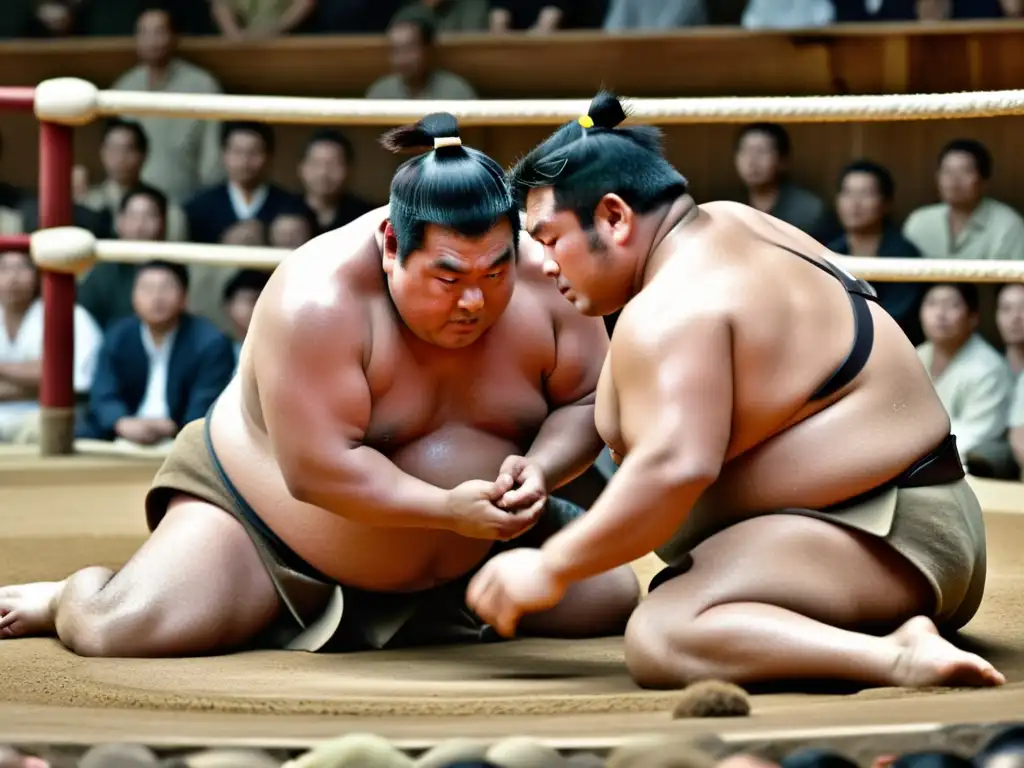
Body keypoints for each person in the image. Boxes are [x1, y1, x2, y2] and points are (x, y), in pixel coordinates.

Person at [0, 113, 639, 656]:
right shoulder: (317, 299)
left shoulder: (545, 276)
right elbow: (318, 472)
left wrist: (538, 471)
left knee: (610, 598)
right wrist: (446, 510)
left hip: (481, 550)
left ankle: (442, 604)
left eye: (495, 272)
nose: (475, 299)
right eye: (448, 278)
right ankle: (63, 595)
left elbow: (588, 400)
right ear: (392, 245)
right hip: (272, 539)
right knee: (116, 629)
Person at [467, 91, 1004, 691]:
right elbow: (633, 414)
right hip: (915, 520)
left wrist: (551, 566)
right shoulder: (730, 226)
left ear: (614, 218)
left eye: (549, 238)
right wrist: (543, 468)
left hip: (891, 534)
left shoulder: (677, 303)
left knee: (665, 632)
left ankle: (897, 656)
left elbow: (674, 467)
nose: (542, 264)